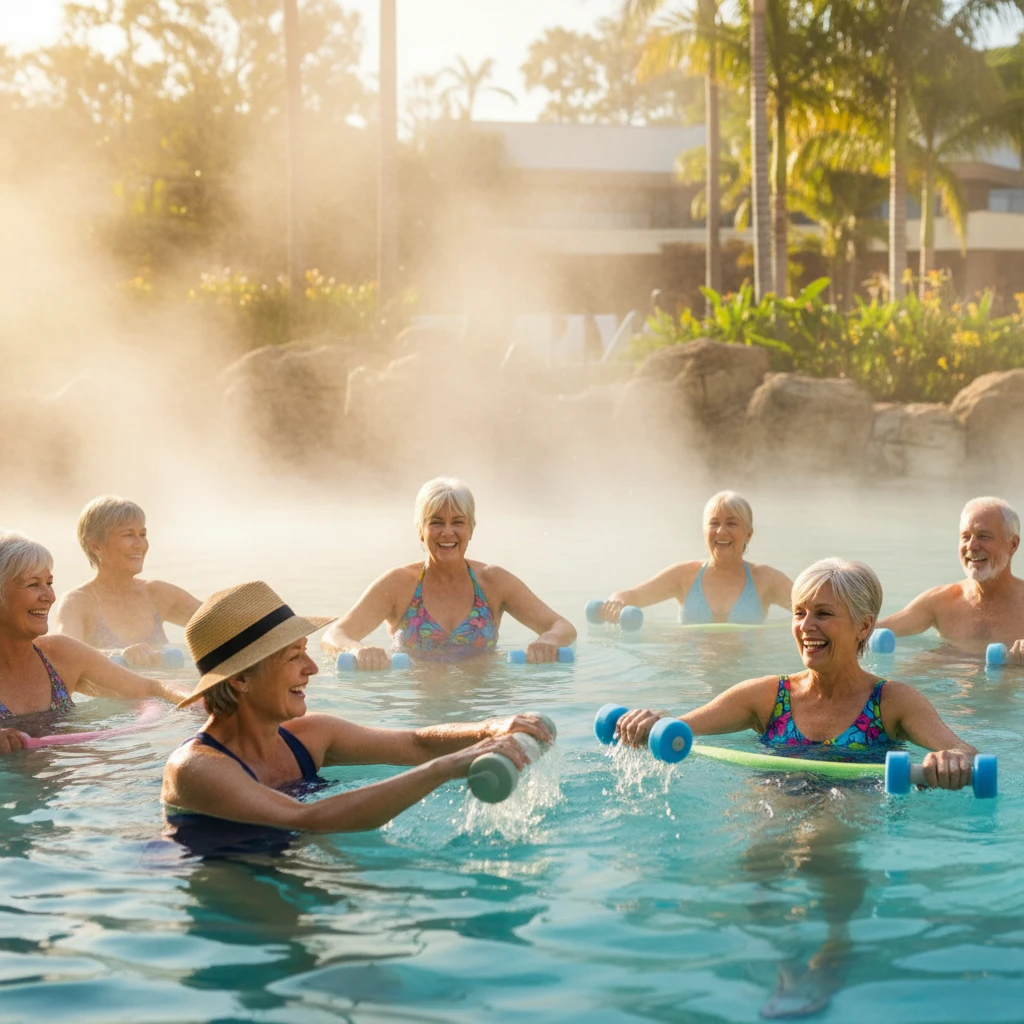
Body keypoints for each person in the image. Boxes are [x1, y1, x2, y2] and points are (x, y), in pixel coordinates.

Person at [162, 580, 554, 833]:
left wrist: (492, 729)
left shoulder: (310, 735)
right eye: (293, 657)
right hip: (231, 903)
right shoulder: (195, 768)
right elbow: (307, 819)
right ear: (240, 679)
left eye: (307, 653)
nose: (312, 668)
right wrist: (451, 765)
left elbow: (416, 744)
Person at [615, 558, 978, 782]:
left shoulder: (892, 702)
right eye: (799, 612)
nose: (806, 626)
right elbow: (683, 728)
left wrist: (949, 760)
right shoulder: (768, 696)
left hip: (849, 818)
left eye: (824, 613)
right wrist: (653, 722)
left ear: (864, 627)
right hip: (770, 805)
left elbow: (966, 752)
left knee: (820, 843)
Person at [321, 477, 576, 665]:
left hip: (485, 702)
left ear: (471, 529)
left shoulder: (493, 582)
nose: (447, 532)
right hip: (417, 709)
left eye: (458, 522)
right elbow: (334, 635)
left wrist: (549, 640)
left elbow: (562, 626)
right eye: (436, 522)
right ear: (420, 530)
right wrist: (356, 650)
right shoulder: (398, 585)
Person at [0, 531, 189, 754]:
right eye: (33, 585)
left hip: (62, 780)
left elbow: (152, 687)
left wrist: (202, 702)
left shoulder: (60, 654)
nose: (49, 596)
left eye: (49, 583)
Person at [596, 491, 792, 625]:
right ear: (704, 531)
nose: (721, 531)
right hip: (693, 678)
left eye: (731, 523)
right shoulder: (683, 576)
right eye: (714, 523)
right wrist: (616, 602)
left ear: (748, 534)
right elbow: (632, 596)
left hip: (749, 678)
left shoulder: (766, 579)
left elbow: (813, 606)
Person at [55, 496, 201, 668]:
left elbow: (220, 623)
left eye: (143, 534)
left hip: (169, 691)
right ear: (96, 546)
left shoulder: (157, 594)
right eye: (128, 535)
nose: (139, 545)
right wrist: (117, 654)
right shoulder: (78, 603)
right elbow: (64, 654)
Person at [877, 496, 1024, 663]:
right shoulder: (942, 601)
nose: (971, 546)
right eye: (965, 537)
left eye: (984, 536)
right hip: (949, 684)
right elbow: (871, 632)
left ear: (1012, 545)